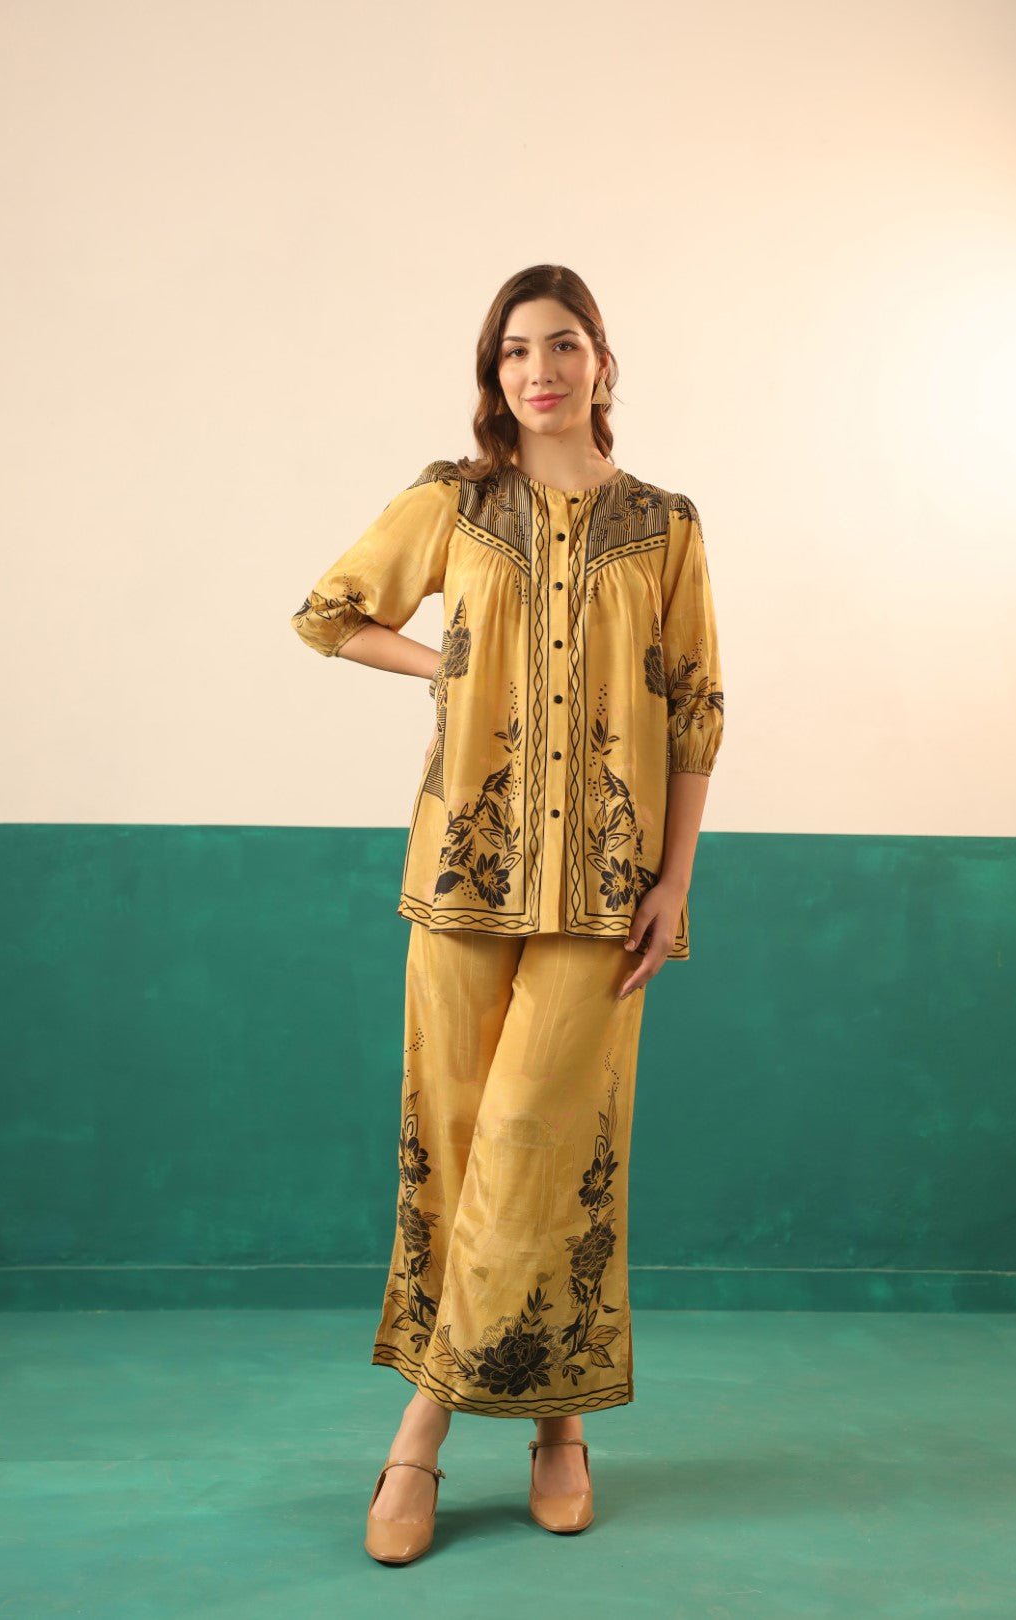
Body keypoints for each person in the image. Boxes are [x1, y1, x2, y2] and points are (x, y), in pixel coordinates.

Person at [289, 264, 725, 1564]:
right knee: (459, 1154)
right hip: (461, 883)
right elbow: (329, 615)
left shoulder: (666, 525)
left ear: (603, 361)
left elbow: (696, 708)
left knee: (550, 1147)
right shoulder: (455, 502)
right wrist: (449, 665)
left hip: (606, 892)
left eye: (565, 344)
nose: (541, 369)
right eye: (517, 351)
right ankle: (557, 1427)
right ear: (495, 374)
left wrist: (675, 882)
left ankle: (419, 1434)